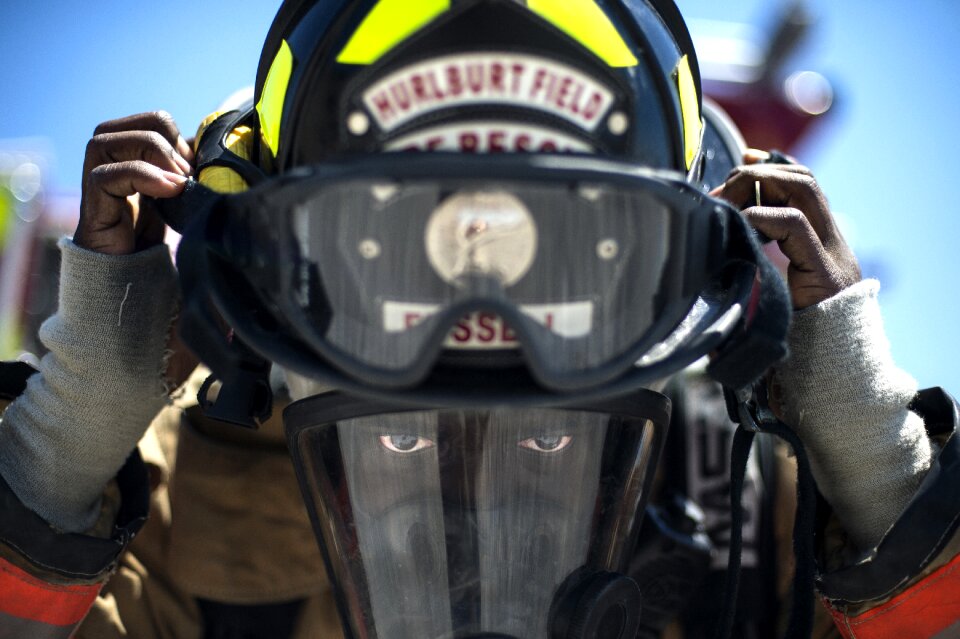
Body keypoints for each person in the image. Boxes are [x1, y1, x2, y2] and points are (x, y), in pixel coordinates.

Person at [0, 1, 957, 638]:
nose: (480, 308)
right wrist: (71, 433)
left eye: (564, 252)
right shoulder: (181, 506)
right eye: (396, 250)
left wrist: (871, 449)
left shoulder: (754, 518)